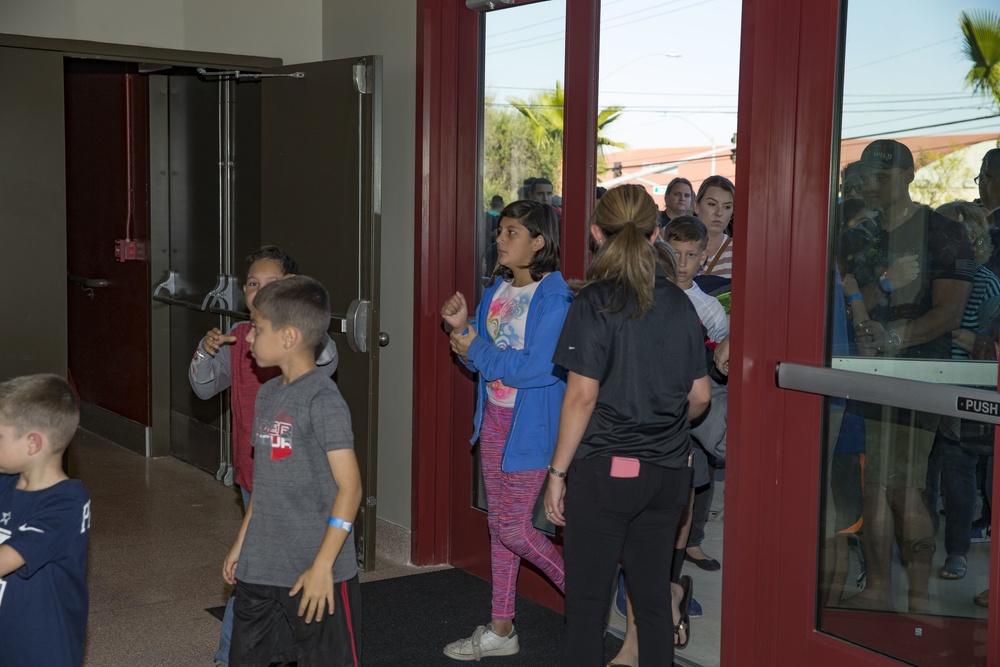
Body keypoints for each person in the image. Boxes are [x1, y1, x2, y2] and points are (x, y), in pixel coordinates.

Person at [545, 184, 711, 667]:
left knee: (587, 607)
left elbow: (581, 396)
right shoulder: (680, 303)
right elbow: (699, 397)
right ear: (656, 232)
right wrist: (665, 430)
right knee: (654, 602)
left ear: (596, 233)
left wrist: (557, 475)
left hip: (606, 474)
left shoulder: (594, 301)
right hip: (668, 476)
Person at [190, 245, 338, 666]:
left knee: (273, 572)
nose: (258, 292)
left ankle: (257, 653)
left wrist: (297, 332)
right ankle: (236, 656)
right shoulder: (239, 339)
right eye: (252, 284)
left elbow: (324, 360)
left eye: (270, 285)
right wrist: (207, 350)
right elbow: (203, 386)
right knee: (256, 572)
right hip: (255, 474)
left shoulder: (302, 345)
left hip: (298, 484)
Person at [439, 199, 570, 661]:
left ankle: (584, 593)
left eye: (512, 232)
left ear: (539, 242)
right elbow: (481, 353)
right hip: (495, 418)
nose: (500, 239)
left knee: (513, 528)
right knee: (501, 530)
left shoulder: (554, 296)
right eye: (500, 231)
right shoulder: (496, 289)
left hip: (531, 425)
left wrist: (477, 348)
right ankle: (500, 629)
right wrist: (462, 331)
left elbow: (538, 368)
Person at [849, 139, 975, 613]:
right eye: (867, 176)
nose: (872, 184)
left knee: (904, 486)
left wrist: (893, 336)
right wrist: (867, 324)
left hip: (921, 374)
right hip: (865, 371)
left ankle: (919, 598)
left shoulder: (944, 231)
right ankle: (881, 588)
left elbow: (950, 312)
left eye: (882, 176)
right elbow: (853, 294)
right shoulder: (860, 233)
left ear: (907, 176)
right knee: (876, 485)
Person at [223, 276, 362, 667]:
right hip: (261, 566)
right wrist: (241, 542)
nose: (247, 338)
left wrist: (323, 567)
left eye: (257, 328)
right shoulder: (267, 395)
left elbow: (349, 489)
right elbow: (264, 484)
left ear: (288, 337)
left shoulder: (323, 400)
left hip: (316, 573)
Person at [923, 201, 1000, 581]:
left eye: (956, 231)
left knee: (958, 474)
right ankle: (919, 546)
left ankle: (957, 552)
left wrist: (948, 329)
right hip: (925, 384)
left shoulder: (986, 282)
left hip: (965, 389)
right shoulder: (930, 274)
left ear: (974, 237)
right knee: (924, 471)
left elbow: (987, 348)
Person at [0, 374, 90, 666]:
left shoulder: (68, 503)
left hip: (42, 649)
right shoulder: (7, 481)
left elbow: (7, 559)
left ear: (32, 443)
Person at [694, 175, 736, 280]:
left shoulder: (741, 253)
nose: (719, 213)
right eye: (712, 204)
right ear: (696, 206)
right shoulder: (674, 247)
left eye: (727, 207)